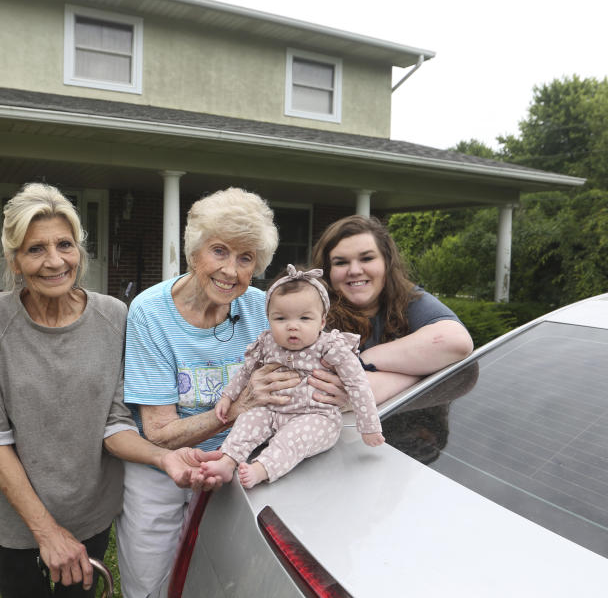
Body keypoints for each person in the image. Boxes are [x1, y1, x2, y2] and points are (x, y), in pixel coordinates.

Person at [0, 183, 220, 598]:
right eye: (35, 249)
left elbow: (114, 422)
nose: (54, 261)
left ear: (79, 250)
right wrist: (46, 533)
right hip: (16, 518)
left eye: (64, 244)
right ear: (14, 260)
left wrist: (165, 457)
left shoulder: (113, 315)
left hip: (90, 512)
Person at [116, 187, 299, 598]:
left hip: (238, 465)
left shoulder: (264, 307)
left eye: (245, 257)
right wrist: (237, 407)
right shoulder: (150, 313)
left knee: (224, 581)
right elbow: (160, 431)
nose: (231, 271)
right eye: (219, 251)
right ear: (194, 252)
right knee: (150, 585)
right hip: (161, 470)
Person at [199, 264, 384, 489]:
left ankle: (262, 468)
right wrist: (228, 397)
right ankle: (228, 460)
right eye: (281, 319)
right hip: (272, 410)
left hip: (317, 416)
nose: (292, 327)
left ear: (322, 322)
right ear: (269, 319)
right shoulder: (267, 343)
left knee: (294, 438)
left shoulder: (331, 347)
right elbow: (245, 372)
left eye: (304, 318)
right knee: (248, 420)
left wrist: (369, 425)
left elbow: (357, 384)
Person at [308, 215, 474, 408]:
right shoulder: (312, 313)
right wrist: (424, 371)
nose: (354, 270)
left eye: (367, 258)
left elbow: (457, 342)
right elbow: (327, 395)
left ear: (386, 263)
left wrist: (361, 362)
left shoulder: (408, 299)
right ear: (327, 271)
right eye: (341, 262)